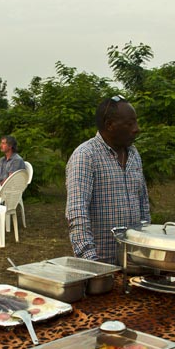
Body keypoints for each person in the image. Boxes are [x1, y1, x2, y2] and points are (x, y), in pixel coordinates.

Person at [65, 95, 150, 265]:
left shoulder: (134, 154)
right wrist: (91, 263)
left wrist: (146, 249)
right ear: (109, 125)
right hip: (102, 263)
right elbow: (77, 213)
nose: (136, 129)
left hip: (134, 262)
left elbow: (143, 205)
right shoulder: (86, 156)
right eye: (130, 123)